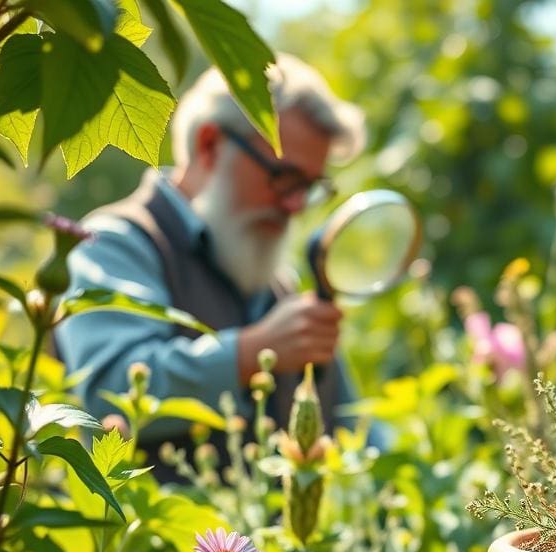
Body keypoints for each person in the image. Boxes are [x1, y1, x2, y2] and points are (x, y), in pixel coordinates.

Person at [54, 54, 367, 478]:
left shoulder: (276, 284)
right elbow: (110, 392)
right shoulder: (115, 242)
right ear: (208, 145)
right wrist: (253, 351)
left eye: (309, 187)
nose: (295, 205)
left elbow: (355, 431)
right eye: (282, 176)